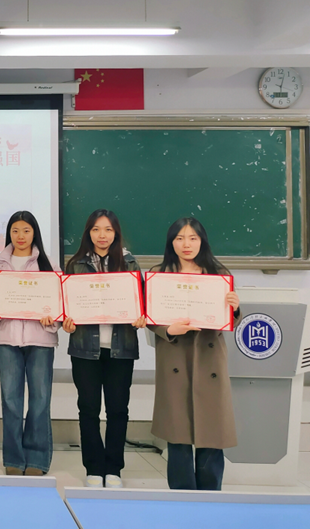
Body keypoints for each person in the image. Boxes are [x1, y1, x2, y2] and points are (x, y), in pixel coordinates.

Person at [149, 217, 241, 491]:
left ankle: (210, 494)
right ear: (171, 242)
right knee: (177, 430)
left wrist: (235, 308)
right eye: (179, 238)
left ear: (202, 241)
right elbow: (149, 316)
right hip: (175, 356)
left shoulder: (218, 273)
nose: (186, 244)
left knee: (212, 429)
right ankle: (181, 495)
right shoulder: (159, 274)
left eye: (192, 238)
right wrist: (169, 329)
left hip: (208, 357)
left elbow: (230, 320)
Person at [62, 209, 147, 489]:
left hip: (121, 348)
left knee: (118, 410)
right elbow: (65, 306)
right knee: (88, 409)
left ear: (116, 233)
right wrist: (66, 322)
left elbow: (142, 304)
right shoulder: (75, 265)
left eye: (108, 230)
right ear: (88, 233)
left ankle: (114, 469)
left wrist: (141, 316)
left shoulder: (130, 264)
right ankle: (93, 468)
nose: (102, 235)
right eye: (96, 229)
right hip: (85, 349)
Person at [0, 211, 58, 477]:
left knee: (40, 401)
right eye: (15, 230)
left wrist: (51, 320)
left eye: (26, 230)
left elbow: (59, 305)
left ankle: (37, 459)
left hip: (41, 341)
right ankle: (14, 458)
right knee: (10, 401)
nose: (20, 236)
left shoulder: (47, 265)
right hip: (7, 340)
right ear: (9, 233)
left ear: (34, 232)